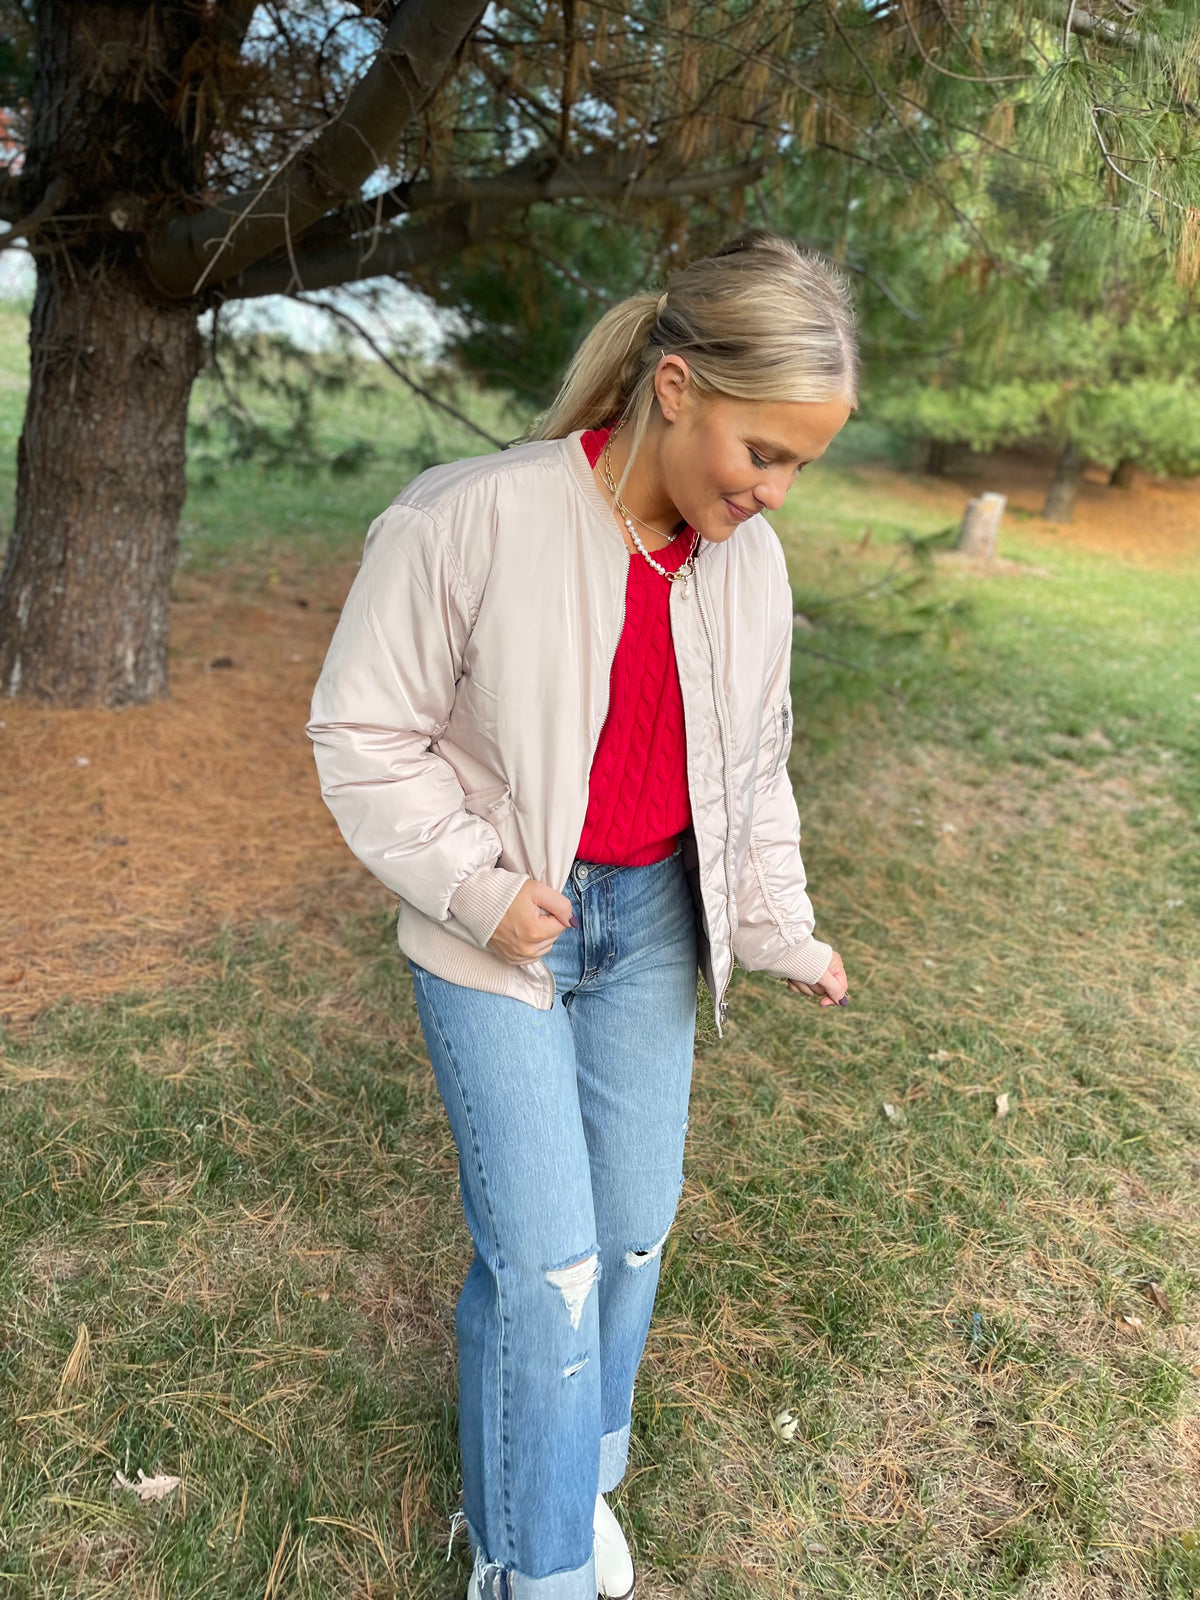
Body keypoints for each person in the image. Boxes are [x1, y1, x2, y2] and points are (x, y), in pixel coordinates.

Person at [306, 230, 856, 1600]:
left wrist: (779, 925)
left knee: (627, 1235)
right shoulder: (468, 516)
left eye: (800, 465)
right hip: (501, 940)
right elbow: (364, 732)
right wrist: (482, 893)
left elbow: (750, 767)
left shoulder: (750, 567)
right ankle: (532, 1567)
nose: (775, 494)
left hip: (657, 924)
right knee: (543, 1265)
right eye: (763, 453)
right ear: (675, 387)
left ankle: (570, 1471)